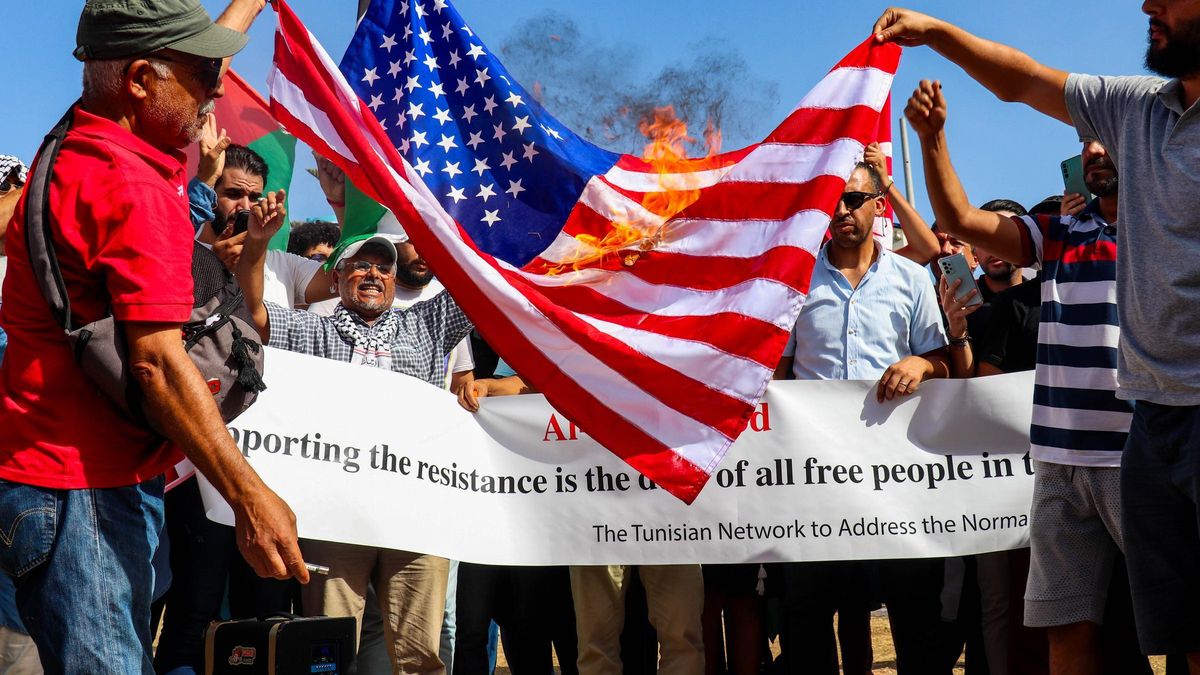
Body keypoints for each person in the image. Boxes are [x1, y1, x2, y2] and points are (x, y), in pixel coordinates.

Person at [875, 6, 1200, 663]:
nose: (1146, 5)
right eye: (1088, 139)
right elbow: (1018, 88)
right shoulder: (1106, 160)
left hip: (1159, 434)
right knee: (1135, 628)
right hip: (1122, 442)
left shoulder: (1123, 224)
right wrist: (938, 47)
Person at [0, 1, 308, 672]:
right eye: (203, 74)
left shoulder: (83, 137)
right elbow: (158, 367)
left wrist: (247, 8)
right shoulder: (127, 185)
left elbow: (190, 66)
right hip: (84, 497)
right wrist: (251, 496)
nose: (219, 88)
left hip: (54, 481)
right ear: (141, 79)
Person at [906, 78, 1147, 675]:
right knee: (1065, 633)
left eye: (1106, 140)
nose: (1093, 152)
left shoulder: (1167, 231)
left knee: (1184, 625)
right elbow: (961, 218)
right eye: (1085, 142)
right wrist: (933, 140)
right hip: (1060, 470)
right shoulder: (1058, 235)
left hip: (1144, 459)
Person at [238, 201, 472, 673]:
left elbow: (478, 287)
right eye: (361, 265)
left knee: (421, 656)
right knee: (327, 650)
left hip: (417, 518)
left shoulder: (426, 325)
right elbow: (256, 312)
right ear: (339, 276)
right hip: (336, 521)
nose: (373, 274)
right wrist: (258, 245)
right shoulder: (312, 331)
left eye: (383, 267)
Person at [773, 162, 952, 675]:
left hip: (898, 480)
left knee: (915, 611)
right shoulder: (794, 279)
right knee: (807, 619)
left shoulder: (911, 278)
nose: (843, 208)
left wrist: (922, 363)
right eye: (835, 198)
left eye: (855, 199)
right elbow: (781, 374)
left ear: (879, 206)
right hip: (814, 481)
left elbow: (944, 363)